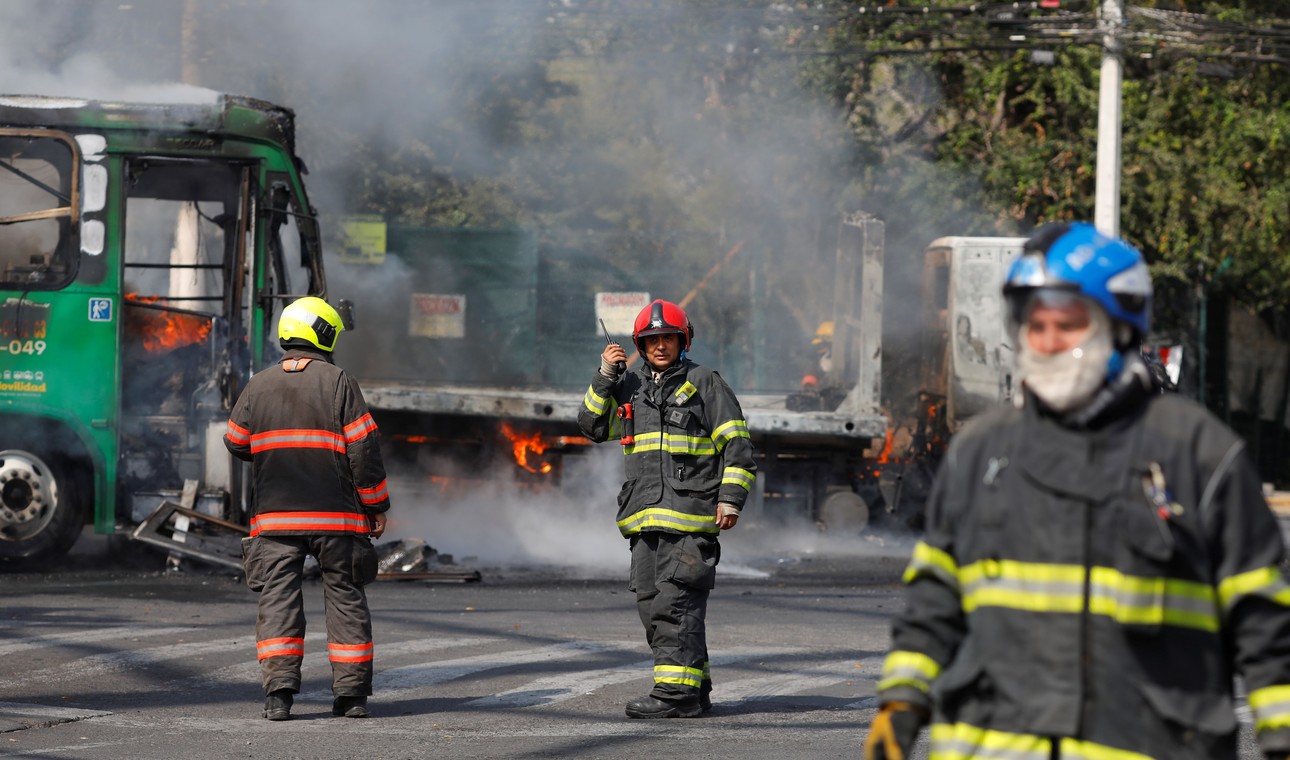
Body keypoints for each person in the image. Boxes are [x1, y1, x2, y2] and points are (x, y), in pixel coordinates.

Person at [863, 222, 1290, 760]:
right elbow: (935, 596)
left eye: (1066, 324)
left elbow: (1263, 619)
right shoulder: (982, 453)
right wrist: (901, 702)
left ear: (1120, 326)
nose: (1046, 341)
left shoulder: (1200, 454)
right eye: (1033, 324)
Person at [579, 298, 757, 718]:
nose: (661, 346)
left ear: (683, 340)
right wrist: (605, 376)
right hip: (644, 520)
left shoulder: (704, 382)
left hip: (690, 518)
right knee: (651, 604)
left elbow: (737, 444)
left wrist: (730, 499)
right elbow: (592, 426)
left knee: (673, 605)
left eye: (669, 338)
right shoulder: (630, 385)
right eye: (652, 339)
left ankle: (675, 697)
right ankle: (695, 686)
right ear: (640, 344)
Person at [224, 296, 391, 722]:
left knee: (277, 600)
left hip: (276, 520)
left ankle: (278, 696)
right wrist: (375, 505)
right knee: (346, 598)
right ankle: (351, 697)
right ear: (325, 334)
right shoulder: (339, 382)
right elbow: (363, 449)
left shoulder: (258, 384)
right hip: (337, 519)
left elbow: (236, 440)